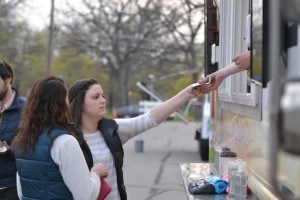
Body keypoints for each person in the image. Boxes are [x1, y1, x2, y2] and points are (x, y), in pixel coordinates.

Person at [68, 79, 202, 200]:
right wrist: (94, 174)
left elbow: (149, 119)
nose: (103, 100)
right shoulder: (68, 139)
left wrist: (187, 93)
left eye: (103, 96)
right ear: (80, 103)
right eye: (95, 97)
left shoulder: (113, 129)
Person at [12, 75, 108, 200]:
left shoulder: (22, 140)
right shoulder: (65, 142)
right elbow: (86, 196)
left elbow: (21, 191)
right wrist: (95, 173)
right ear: (60, 103)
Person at [0, 59, 25, 200]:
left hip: (12, 189)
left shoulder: (27, 110)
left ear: (8, 78)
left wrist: (10, 151)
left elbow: (35, 151)